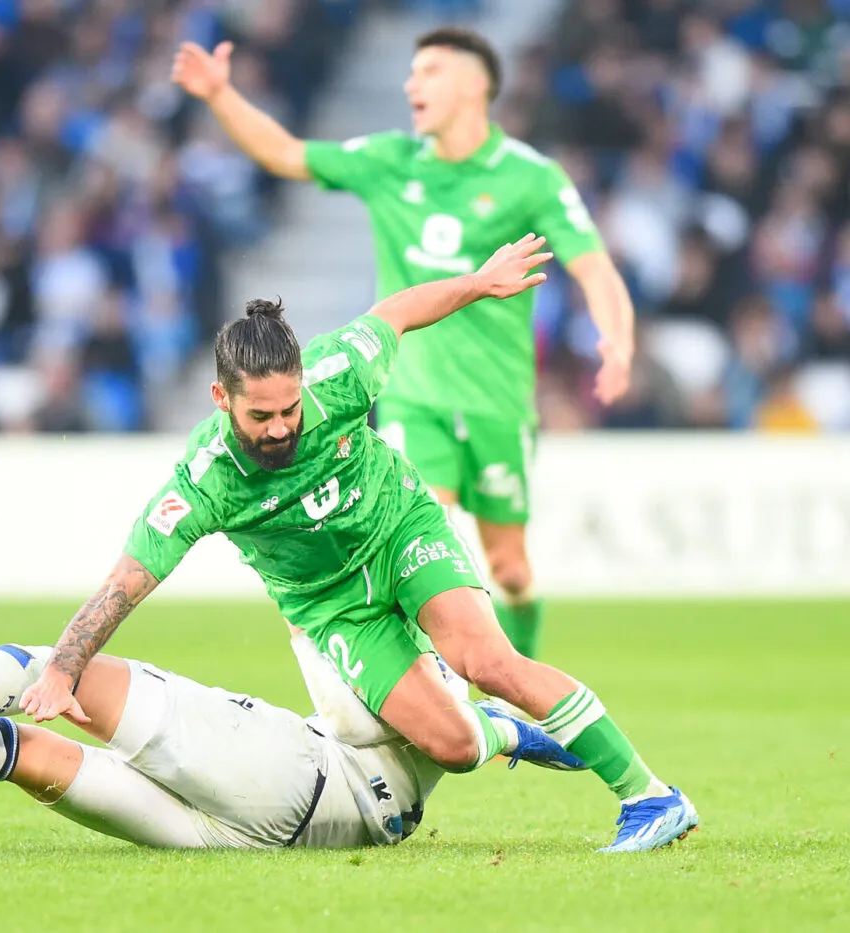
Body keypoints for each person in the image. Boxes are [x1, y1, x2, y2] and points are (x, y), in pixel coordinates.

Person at [16, 238, 698, 853]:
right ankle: (506, 732)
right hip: (333, 606)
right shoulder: (206, 482)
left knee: (487, 659)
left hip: (399, 530)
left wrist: (481, 281)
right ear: (221, 398)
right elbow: (125, 582)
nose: (283, 426)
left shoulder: (337, 374)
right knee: (455, 747)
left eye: (291, 408)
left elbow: (397, 310)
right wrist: (62, 667)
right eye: (263, 416)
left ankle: (650, 795)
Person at [171, 27, 639, 663]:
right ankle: (448, 699)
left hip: (498, 402)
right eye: (412, 71)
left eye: (429, 72)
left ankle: (516, 673)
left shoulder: (531, 179)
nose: (411, 84)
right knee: (425, 542)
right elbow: (286, 154)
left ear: (475, 85)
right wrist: (221, 96)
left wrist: (617, 340)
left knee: (511, 571)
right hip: (414, 396)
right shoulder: (390, 161)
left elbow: (593, 266)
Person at [0, 631, 546, 850]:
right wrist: (592, 750)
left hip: (294, 775)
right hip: (262, 838)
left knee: (65, 673)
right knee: (24, 755)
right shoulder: (463, 715)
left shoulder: (405, 670)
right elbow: (528, 733)